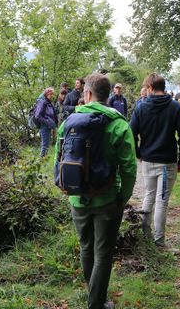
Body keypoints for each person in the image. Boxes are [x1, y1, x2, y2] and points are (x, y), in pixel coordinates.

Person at [54, 73, 137, 309]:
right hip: (108, 198)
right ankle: (96, 304)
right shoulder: (118, 123)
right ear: (108, 95)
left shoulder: (68, 122)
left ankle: (94, 297)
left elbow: (57, 158)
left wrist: (63, 187)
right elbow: (129, 166)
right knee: (103, 253)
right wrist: (124, 196)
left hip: (77, 198)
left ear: (87, 94)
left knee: (85, 247)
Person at [130, 73, 180, 247]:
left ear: (149, 88)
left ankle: (145, 238)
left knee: (149, 196)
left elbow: (131, 132)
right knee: (162, 200)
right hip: (167, 162)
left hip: (149, 160)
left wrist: (138, 152)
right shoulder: (175, 107)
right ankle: (158, 241)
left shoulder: (141, 108)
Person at [34, 87, 58, 157]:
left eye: (52, 94)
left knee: (46, 144)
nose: (52, 96)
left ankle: (43, 160)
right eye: (50, 94)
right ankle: (41, 161)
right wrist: (47, 122)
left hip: (48, 126)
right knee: (45, 145)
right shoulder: (42, 102)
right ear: (47, 94)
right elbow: (37, 116)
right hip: (44, 126)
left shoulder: (48, 102)